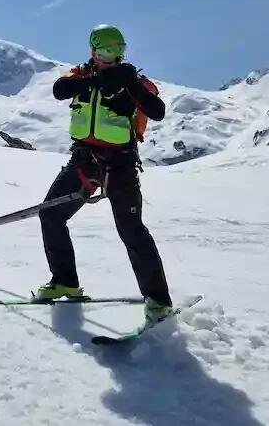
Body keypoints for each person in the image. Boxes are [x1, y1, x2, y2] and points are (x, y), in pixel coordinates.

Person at [35, 24, 173, 321]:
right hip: (84, 160)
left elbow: (157, 110)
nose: (112, 57)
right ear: (93, 50)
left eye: (118, 51)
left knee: (131, 230)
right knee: (51, 213)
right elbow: (60, 90)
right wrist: (93, 81)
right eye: (106, 51)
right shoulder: (81, 74)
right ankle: (65, 282)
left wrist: (130, 85)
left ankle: (159, 301)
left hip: (120, 165)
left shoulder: (132, 79)